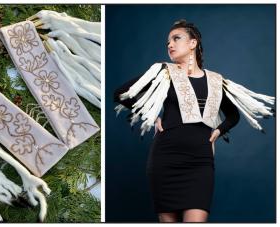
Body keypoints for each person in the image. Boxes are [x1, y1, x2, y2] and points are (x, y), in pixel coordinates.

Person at [113, 19, 274, 222]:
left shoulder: (216, 81)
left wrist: (218, 131)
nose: (170, 45)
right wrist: (152, 116)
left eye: (176, 38)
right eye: (167, 42)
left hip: (200, 163)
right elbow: (120, 94)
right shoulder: (163, 73)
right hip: (165, 159)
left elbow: (233, 115)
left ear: (193, 43)